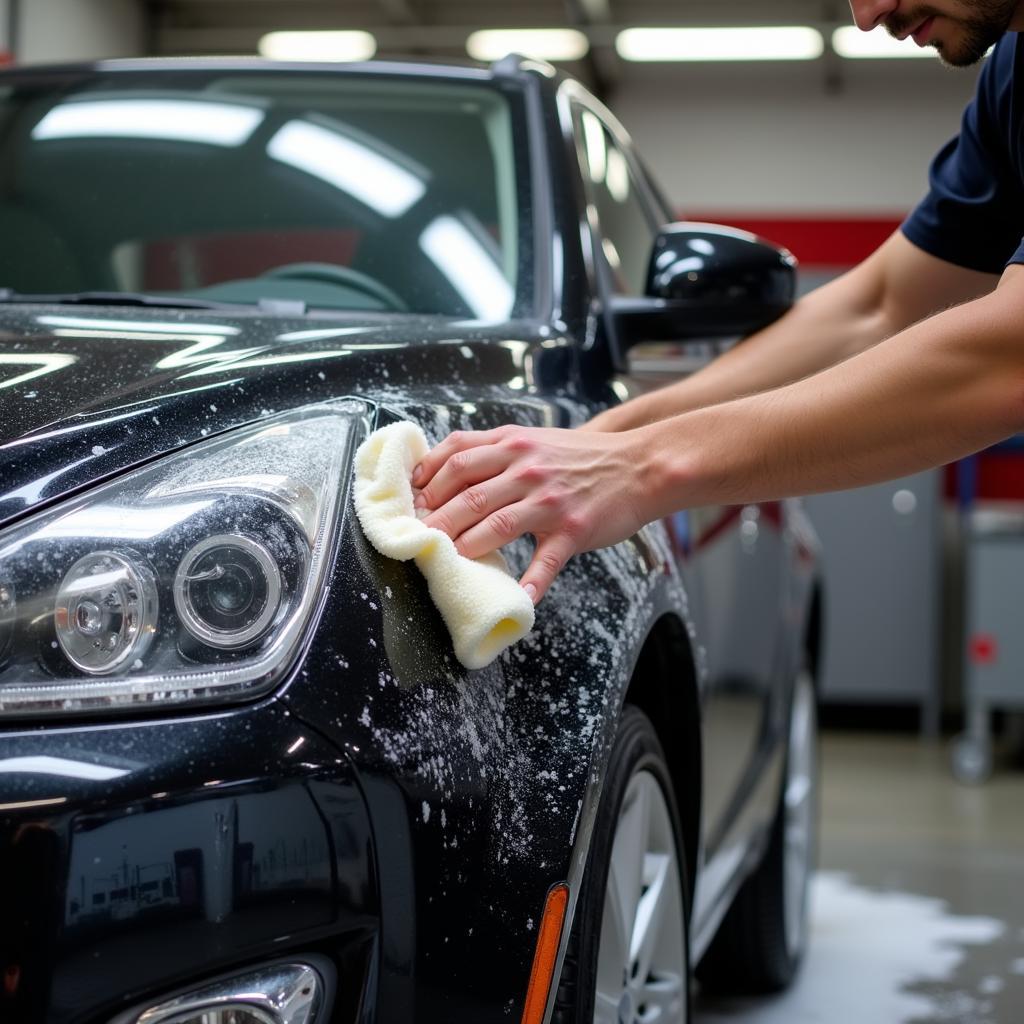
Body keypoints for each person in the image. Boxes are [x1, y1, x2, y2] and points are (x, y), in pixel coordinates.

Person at [413, 0, 1024, 604]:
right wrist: (604, 432)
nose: (867, 16)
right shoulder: (1010, 75)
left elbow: (1010, 356)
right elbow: (881, 305)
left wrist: (635, 465)